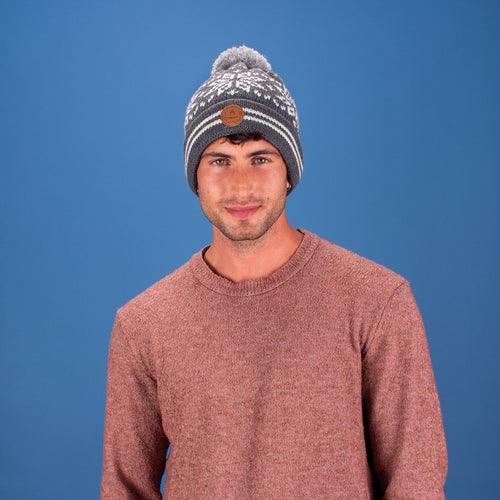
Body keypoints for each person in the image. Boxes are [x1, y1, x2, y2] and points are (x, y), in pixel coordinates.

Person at [101, 46, 447, 499]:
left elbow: (416, 482)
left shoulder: (376, 302)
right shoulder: (143, 324)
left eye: (260, 158)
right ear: (195, 176)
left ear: (289, 171)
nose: (241, 185)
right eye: (219, 160)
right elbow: (124, 489)